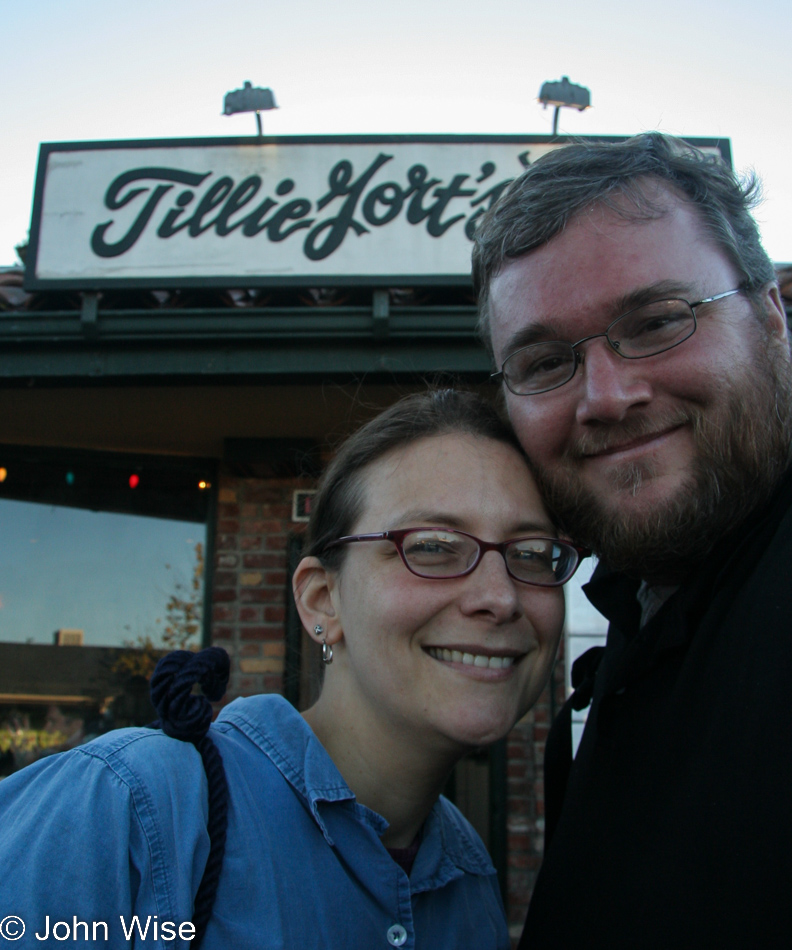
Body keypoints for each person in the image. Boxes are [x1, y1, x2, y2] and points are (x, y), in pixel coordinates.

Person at [0, 390, 584, 950]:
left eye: (532, 553)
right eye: (432, 546)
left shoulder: (468, 881)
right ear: (322, 601)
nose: (500, 597)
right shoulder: (132, 813)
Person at [472, 132, 792, 949]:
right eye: (543, 362)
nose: (605, 396)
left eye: (658, 322)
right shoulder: (634, 616)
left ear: (770, 316)